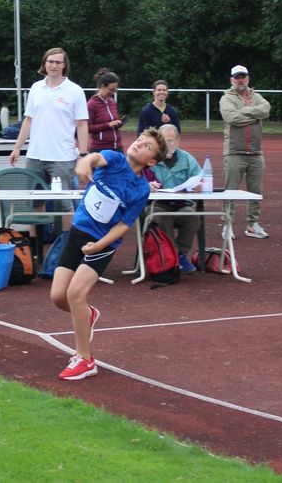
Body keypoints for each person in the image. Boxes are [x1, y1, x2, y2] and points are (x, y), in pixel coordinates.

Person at [51, 128, 166, 380]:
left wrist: (99, 245)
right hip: (77, 233)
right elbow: (94, 158)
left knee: (75, 294)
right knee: (58, 297)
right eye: (139, 140)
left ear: (152, 162)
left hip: (101, 244)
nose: (139, 144)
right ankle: (88, 314)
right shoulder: (114, 159)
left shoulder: (141, 189)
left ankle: (85, 359)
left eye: (147, 146)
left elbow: (124, 225)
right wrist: (84, 163)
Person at [8, 47, 89, 226]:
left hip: (62, 157)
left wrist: (83, 154)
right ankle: (38, 242)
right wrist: (17, 148)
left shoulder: (75, 90)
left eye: (58, 62)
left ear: (64, 65)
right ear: (44, 64)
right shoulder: (36, 88)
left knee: (65, 205)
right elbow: (28, 120)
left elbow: (82, 124)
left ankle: (67, 242)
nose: (53, 65)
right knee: (35, 203)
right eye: (50, 62)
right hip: (35, 156)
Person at [219, 64, 270, 240]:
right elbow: (232, 118)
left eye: (243, 77)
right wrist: (255, 117)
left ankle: (252, 224)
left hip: (256, 152)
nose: (240, 80)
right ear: (231, 80)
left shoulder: (256, 96)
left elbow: (266, 109)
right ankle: (227, 224)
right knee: (230, 191)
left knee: (256, 191)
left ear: (247, 78)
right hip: (234, 152)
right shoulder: (226, 98)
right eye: (237, 77)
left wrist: (245, 111)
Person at [145, 124, 202, 273]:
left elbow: (200, 178)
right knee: (162, 217)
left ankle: (181, 254)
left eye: (171, 141)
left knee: (192, 217)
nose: (168, 145)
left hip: (180, 204)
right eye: (164, 141)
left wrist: (199, 185)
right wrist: (146, 186)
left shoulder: (187, 159)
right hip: (156, 204)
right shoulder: (150, 158)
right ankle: (172, 256)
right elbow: (135, 179)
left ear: (177, 141)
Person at [87, 68, 125, 152]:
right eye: (111, 90)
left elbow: (112, 121)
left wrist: (118, 123)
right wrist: (108, 125)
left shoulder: (112, 102)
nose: (113, 93)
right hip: (100, 148)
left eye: (115, 90)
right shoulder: (92, 104)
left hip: (117, 147)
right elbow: (87, 128)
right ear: (102, 86)